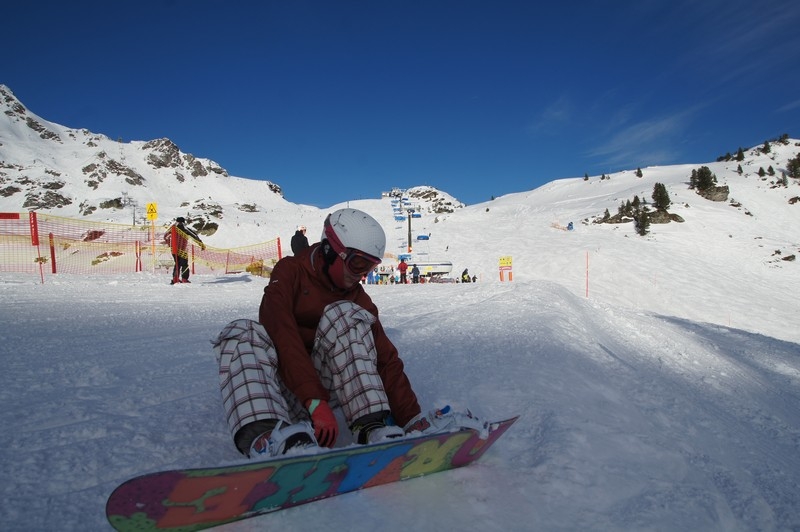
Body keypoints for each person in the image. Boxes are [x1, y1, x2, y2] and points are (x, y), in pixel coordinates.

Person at [212, 208, 484, 458]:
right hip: (281, 389)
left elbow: (386, 360)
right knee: (240, 332)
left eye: (370, 267)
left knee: (344, 313)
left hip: (332, 388)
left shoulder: (357, 298)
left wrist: (412, 420)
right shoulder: (291, 271)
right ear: (331, 250)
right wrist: (314, 401)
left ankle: (371, 426)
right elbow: (280, 330)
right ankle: (268, 438)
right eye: (357, 264)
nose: (362, 275)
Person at [164, 216, 205, 285]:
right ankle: (184, 278)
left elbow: (165, 236)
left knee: (177, 264)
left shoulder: (172, 228)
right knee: (184, 264)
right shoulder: (185, 229)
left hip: (174, 250)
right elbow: (194, 236)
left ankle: (175, 278)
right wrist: (201, 244)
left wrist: (169, 244)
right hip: (182, 250)